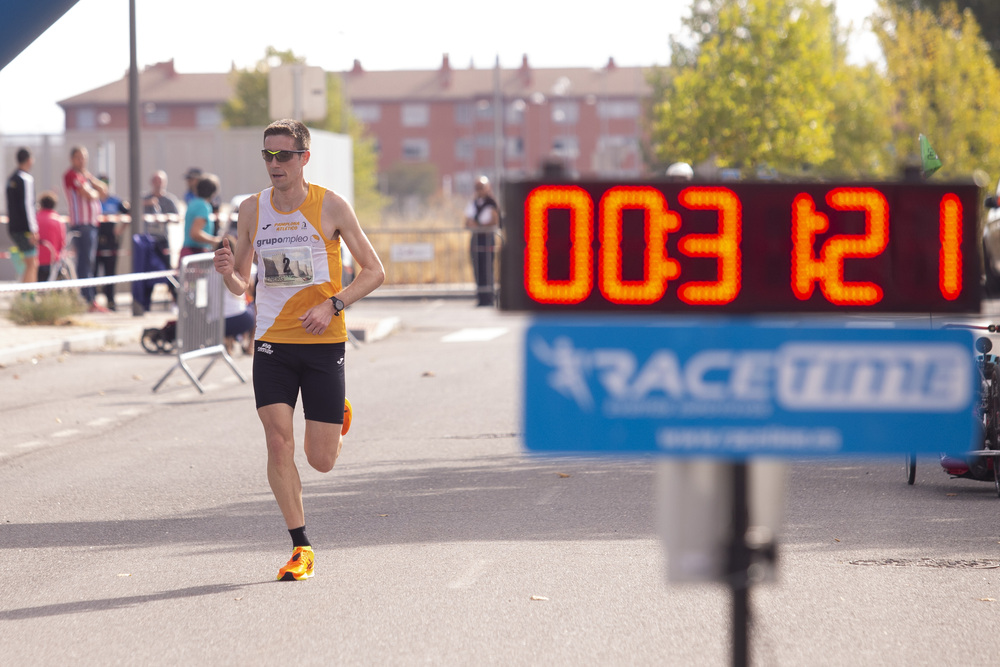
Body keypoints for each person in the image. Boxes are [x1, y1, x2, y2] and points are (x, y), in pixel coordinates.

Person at [214, 118, 384, 582]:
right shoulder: (252, 209)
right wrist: (227, 271)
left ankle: (338, 412)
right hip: (272, 342)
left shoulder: (330, 205)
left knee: (321, 460)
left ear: (304, 158)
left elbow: (374, 271)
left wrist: (334, 305)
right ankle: (300, 546)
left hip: (322, 340)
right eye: (267, 155)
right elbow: (242, 287)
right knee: (276, 440)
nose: (274, 164)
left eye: (284, 155)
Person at [63, 146, 109, 311]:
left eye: (84, 157)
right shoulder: (71, 175)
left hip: (92, 224)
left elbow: (104, 191)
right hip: (81, 224)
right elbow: (88, 194)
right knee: (84, 263)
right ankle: (86, 299)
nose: (81, 161)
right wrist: (95, 191)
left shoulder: (86, 176)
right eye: (78, 157)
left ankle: (90, 299)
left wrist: (91, 180)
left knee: (90, 263)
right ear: (72, 159)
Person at [463, 175, 500, 306]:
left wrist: (479, 226)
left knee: (487, 268)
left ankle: (489, 297)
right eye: (477, 187)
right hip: (476, 238)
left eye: (481, 187)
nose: (479, 190)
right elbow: (468, 222)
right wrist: (478, 226)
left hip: (487, 238)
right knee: (477, 267)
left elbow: (494, 221)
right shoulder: (472, 203)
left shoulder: (492, 203)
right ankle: (480, 297)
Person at [5, 147, 38, 283]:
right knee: (32, 263)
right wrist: (33, 230)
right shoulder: (26, 179)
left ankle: (25, 296)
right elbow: (28, 206)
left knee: (26, 263)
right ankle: (27, 297)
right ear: (29, 160)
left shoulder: (11, 178)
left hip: (13, 228)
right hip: (25, 230)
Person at [96, 175, 129, 311]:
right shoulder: (93, 200)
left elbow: (129, 213)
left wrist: (121, 229)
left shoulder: (115, 200)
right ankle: (92, 301)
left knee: (110, 272)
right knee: (93, 271)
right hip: (96, 241)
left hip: (111, 242)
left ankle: (110, 301)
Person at [181, 175, 222, 262]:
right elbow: (195, 233)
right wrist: (215, 240)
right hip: (195, 254)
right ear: (213, 192)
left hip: (189, 253)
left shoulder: (193, 203)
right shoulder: (203, 206)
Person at [35, 191, 66, 282]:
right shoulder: (58, 220)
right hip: (52, 261)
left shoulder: (35, 218)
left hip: (35, 260)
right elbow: (62, 243)